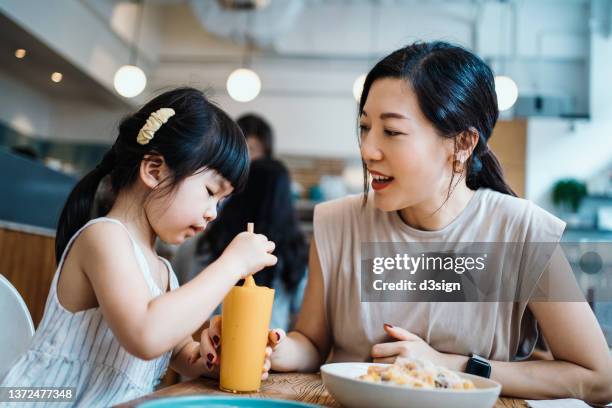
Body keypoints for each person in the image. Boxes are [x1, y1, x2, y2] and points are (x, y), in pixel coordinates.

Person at [203, 42, 612, 404]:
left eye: (392, 131)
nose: (367, 150)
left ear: (462, 144)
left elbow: (599, 380)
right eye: (364, 127)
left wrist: (446, 366)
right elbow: (312, 342)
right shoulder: (339, 221)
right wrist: (269, 346)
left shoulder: (522, 233)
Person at [0, 88, 277, 406]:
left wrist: (212, 359)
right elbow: (147, 335)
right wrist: (233, 264)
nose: (213, 213)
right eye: (210, 191)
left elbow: (179, 350)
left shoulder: (163, 270)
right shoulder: (103, 237)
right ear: (154, 170)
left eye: (222, 201)